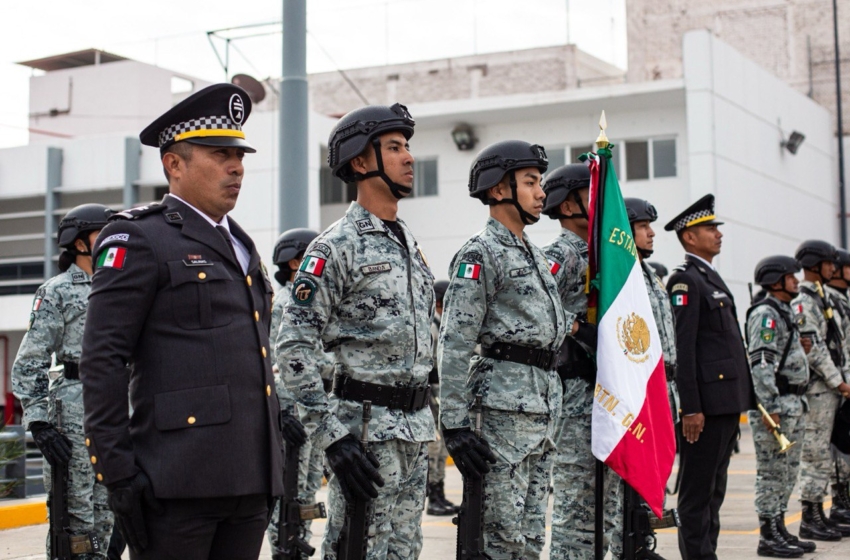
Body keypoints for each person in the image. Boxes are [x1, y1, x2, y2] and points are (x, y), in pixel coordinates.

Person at [79, 83, 285, 560]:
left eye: (240, 156)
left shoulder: (242, 244)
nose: (236, 167)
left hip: (249, 476)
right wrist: (117, 471)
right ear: (174, 163)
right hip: (177, 481)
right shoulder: (139, 236)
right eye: (219, 154)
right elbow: (102, 358)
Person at [275, 103, 435, 560]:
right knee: (355, 550)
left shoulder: (407, 244)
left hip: (413, 430)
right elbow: (293, 345)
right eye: (394, 147)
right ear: (361, 162)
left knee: (403, 552)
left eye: (407, 147)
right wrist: (332, 436)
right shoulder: (335, 245)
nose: (408, 157)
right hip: (364, 435)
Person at [439, 140, 567, 559]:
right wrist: (455, 424)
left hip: (542, 410)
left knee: (530, 539)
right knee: (500, 538)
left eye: (541, 183)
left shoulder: (534, 254)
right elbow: (455, 341)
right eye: (530, 182)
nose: (541, 192)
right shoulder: (480, 253)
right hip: (501, 415)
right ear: (498, 190)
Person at [11, 204, 115, 559]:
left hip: (117, 408)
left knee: (109, 513)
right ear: (80, 242)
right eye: (103, 233)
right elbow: (30, 361)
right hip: (73, 409)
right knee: (75, 514)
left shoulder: (119, 286)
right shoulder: (57, 291)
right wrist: (39, 422)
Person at [664, 194, 754, 560]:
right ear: (689, 237)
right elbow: (683, 351)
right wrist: (691, 408)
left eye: (716, 227)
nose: (718, 234)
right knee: (696, 496)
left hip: (726, 405)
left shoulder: (710, 278)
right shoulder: (686, 282)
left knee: (715, 492)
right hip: (705, 410)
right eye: (709, 228)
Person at [541, 164, 620, 559]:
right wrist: (576, 328)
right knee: (578, 499)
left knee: (602, 501)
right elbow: (534, 308)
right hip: (576, 391)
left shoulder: (600, 253)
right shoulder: (562, 254)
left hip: (602, 391)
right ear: (569, 204)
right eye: (593, 196)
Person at [745, 256, 812, 557]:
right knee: (771, 472)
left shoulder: (783, 311)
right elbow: (761, 363)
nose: (797, 281)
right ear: (775, 281)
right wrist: (769, 406)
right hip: (776, 406)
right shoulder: (765, 314)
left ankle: (780, 527)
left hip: (792, 404)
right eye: (791, 277)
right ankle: (768, 535)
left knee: (787, 472)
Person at [266, 228, 322, 559]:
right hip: (294, 412)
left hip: (315, 410)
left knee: (309, 489)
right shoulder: (285, 304)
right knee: (289, 492)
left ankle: (298, 543)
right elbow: (276, 361)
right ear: (294, 262)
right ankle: (285, 550)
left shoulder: (313, 299)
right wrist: (283, 411)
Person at [791, 240, 850, 540]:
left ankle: (819, 514)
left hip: (830, 390)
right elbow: (814, 348)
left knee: (824, 457)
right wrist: (838, 381)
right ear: (814, 264)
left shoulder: (824, 298)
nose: (833, 267)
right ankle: (809, 517)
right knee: (814, 455)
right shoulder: (805, 301)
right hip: (818, 391)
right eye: (827, 263)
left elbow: (838, 346)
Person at [426, 279, 459, 516]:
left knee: (444, 448)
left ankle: (440, 494)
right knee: (434, 448)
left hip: (441, 391)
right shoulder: (432, 327)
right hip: (430, 392)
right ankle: (432, 496)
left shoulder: (445, 325)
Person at [825, 248, 850, 524]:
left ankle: (844, 497)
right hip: (835, 386)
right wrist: (839, 382)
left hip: (844, 380)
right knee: (835, 449)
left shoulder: (842, 300)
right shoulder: (827, 299)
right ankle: (838, 500)